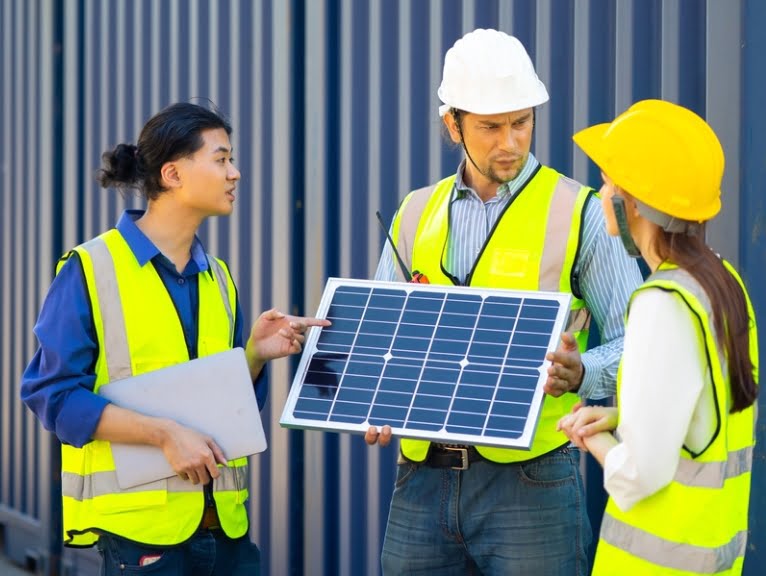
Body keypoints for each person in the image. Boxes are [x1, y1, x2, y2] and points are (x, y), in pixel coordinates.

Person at [365, 28, 643, 575]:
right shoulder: (415, 212)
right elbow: (380, 336)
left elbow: (637, 344)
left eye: (521, 122)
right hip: (420, 481)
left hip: (531, 485)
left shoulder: (578, 211)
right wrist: (375, 393)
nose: (510, 142)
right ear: (453, 124)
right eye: (490, 127)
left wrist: (583, 370)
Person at [20, 102, 329, 575]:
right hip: (141, 541)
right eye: (221, 158)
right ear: (172, 174)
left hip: (225, 532)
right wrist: (163, 434)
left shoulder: (219, 279)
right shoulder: (91, 269)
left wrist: (254, 356)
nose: (235, 173)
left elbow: (224, 404)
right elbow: (53, 395)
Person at [557, 99, 758, 575]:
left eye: (609, 182)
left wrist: (596, 442)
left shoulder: (660, 304)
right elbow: (701, 421)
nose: (601, 192)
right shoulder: (722, 284)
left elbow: (638, 476)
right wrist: (619, 416)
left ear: (634, 205)